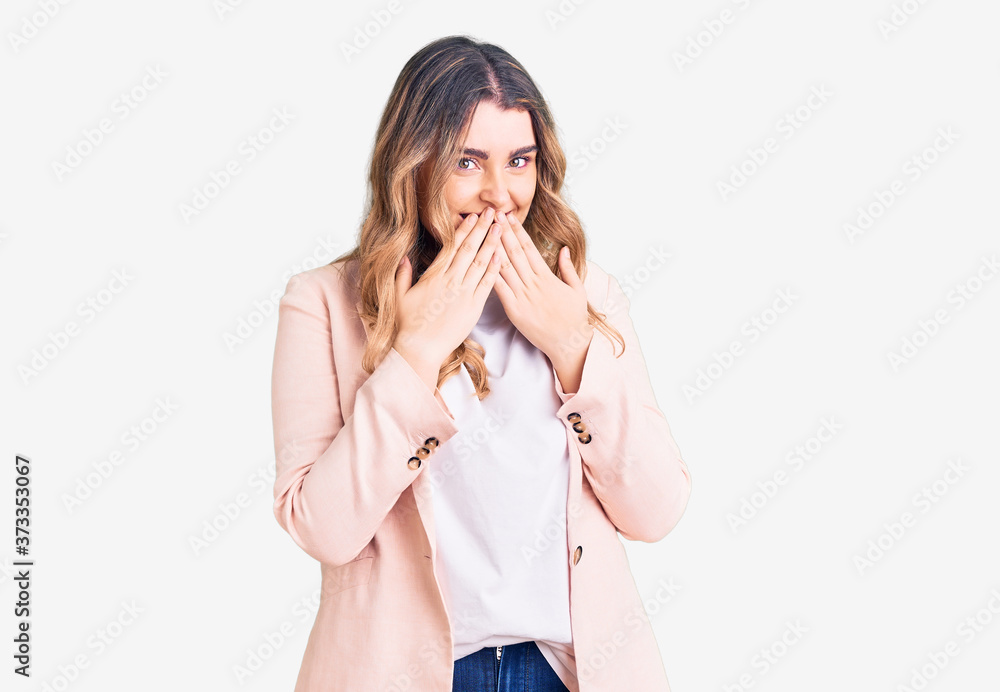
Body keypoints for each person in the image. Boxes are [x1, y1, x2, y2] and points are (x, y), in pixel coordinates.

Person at [270, 35, 692, 692]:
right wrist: (414, 356)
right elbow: (323, 528)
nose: (501, 194)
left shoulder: (586, 295)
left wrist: (575, 349)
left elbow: (658, 510)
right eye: (468, 162)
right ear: (413, 164)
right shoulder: (323, 304)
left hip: (565, 672)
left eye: (519, 160)